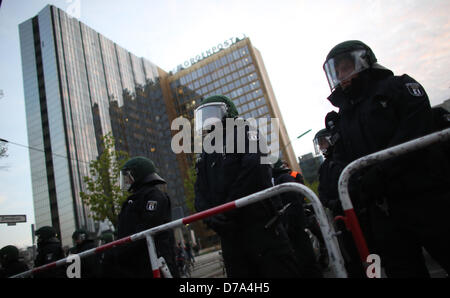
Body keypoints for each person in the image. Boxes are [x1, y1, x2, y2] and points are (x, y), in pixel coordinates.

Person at [322, 40, 450, 277]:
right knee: (401, 269)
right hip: (381, 209)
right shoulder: (343, 117)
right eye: (336, 71)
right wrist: (355, 184)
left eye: (345, 67)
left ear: (363, 61)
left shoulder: (399, 86)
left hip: (426, 194)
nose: (341, 76)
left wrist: (379, 172)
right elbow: (339, 159)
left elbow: (415, 130)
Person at [194, 94, 300, 278]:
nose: (208, 121)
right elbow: (199, 191)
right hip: (231, 238)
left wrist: (227, 210)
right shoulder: (206, 151)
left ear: (228, 113)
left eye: (212, 114)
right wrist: (211, 218)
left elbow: (255, 171)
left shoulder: (247, 133)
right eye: (204, 117)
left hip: (262, 229)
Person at [116, 156, 179, 278]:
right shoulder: (132, 200)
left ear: (137, 175)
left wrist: (123, 249)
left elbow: (148, 225)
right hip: (138, 262)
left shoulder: (154, 196)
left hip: (154, 261)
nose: (127, 181)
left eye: (128, 177)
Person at [271, 159, 323, 278]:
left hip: (298, 216)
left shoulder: (289, 176)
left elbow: (298, 193)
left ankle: (323, 247)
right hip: (289, 222)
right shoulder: (276, 179)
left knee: (313, 232)